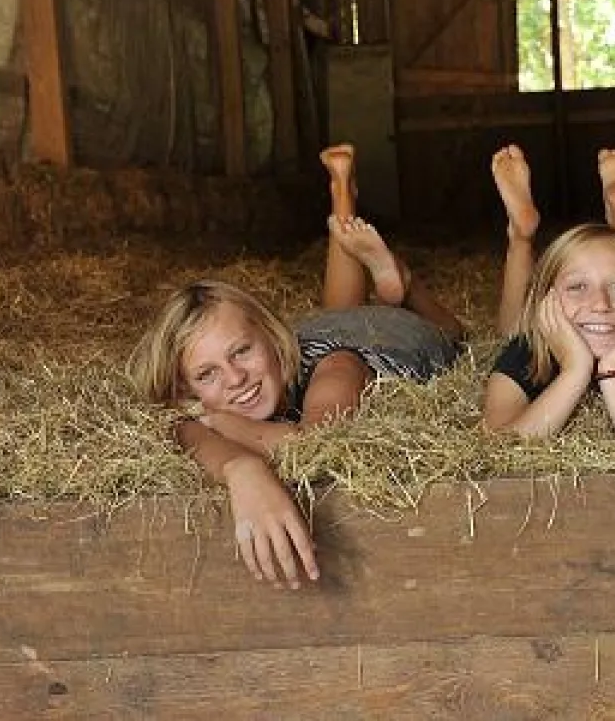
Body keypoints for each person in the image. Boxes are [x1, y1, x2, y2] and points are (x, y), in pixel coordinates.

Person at [128, 144, 466, 589]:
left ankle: (403, 284)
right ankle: (342, 196)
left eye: (241, 352)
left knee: (452, 331)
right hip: (329, 328)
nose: (236, 379)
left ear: (271, 334)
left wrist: (218, 422)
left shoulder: (337, 369)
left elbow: (313, 444)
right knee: (336, 312)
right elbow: (176, 428)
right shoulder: (270, 361)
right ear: (187, 388)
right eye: (207, 375)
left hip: (392, 337)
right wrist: (239, 469)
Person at [481, 144, 615, 440]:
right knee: (512, 330)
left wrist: (613, 373)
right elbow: (498, 446)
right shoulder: (525, 353)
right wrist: (575, 370)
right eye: (577, 287)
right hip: (533, 329)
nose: (600, 304)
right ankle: (521, 235)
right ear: (547, 302)